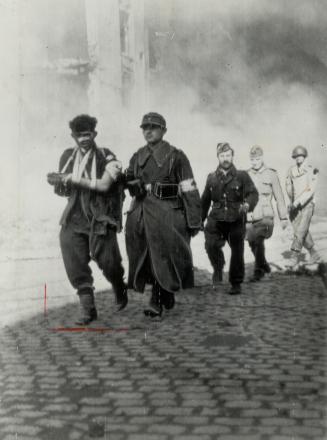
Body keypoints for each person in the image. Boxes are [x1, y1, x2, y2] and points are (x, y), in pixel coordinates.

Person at [47, 114, 127, 325]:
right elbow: (64, 191)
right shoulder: (67, 156)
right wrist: (58, 183)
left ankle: (118, 285)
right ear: (72, 136)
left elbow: (103, 185)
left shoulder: (106, 156)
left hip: (100, 215)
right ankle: (88, 309)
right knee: (72, 256)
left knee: (109, 262)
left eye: (87, 134)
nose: (83, 139)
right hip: (75, 214)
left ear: (94, 134)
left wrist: (73, 179)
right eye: (79, 135)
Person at [124, 112, 202, 317]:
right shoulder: (137, 156)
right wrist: (129, 183)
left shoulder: (176, 156)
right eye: (145, 128)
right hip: (140, 213)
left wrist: (194, 220)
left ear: (163, 130)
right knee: (146, 257)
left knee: (163, 256)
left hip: (168, 214)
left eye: (153, 127)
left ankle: (156, 300)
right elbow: (128, 180)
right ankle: (164, 294)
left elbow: (189, 188)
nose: (148, 131)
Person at [201, 142, 258, 295]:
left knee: (237, 250)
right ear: (218, 157)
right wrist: (199, 220)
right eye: (222, 156)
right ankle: (218, 267)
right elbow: (205, 200)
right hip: (216, 219)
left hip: (236, 217)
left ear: (232, 156)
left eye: (228, 155)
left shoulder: (242, 176)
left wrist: (247, 205)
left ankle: (236, 283)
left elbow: (253, 194)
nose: (225, 159)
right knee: (210, 244)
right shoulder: (211, 178)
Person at [246, 145, 288, 281]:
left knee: (258, 240)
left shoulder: (271, 174)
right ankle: (264, 265)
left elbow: (279, 197)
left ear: (262, 158)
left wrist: (283, 217)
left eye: (257, 159)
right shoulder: (246, 175)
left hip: (266, 216)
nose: (255, 162)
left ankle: (259, 271)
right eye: (252, 159)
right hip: (251, 217)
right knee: (251, 242)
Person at [285, 145, 321, 268]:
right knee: (300, 230)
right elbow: (288, 186)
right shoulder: (291, 170)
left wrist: (297, 202)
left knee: (301, 230)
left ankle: (294, 256)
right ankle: (314, 253)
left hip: (308, 204)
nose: (298, 158)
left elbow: (310, 190)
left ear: (304, 156)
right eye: (296, 156)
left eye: (300, 156)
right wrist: (291, 201)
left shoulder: (312, 170)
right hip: (295, 205)